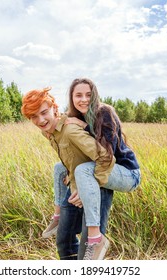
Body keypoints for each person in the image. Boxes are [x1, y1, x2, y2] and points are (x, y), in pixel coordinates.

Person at [40, 78, 141, 260]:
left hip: (125, 172)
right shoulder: (75, 117)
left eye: (88, 95)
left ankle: (96, 238)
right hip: (101, 170)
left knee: (83, 171)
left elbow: (107, 157)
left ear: (94, 95)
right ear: (72, 97)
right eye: (78, 95)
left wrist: (83, 185)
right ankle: (57, 216)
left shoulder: (105, 112)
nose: (84, 99)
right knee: (59, 168)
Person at [21, 87, 115, 260]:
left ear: (54, 108)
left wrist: (89, 185)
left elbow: (105, 157)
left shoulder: (70, 130)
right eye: (34, 116)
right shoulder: (48, 131)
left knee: (88, 252)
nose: (40, 120)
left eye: (43, 112)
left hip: (95, 186)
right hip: (75, 184)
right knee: (64, 242)